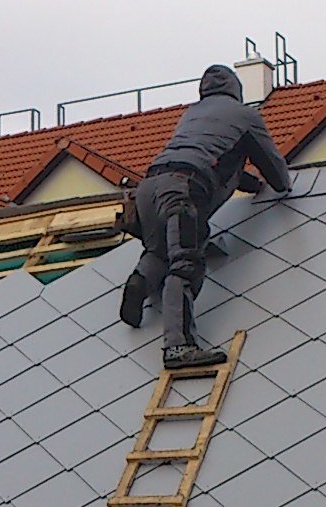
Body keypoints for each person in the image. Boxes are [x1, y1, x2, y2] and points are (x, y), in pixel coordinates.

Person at [122, 64, 291, 368]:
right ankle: (178, 346)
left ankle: (140, 282)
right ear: (236, 90)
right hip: (184, 189)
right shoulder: (245, 116)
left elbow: (217, 162)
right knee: (186, 262)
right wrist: (281, 185)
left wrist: (251, 184)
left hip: (148, 188)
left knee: (159, 249)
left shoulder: (192, 114)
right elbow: (273, 167)